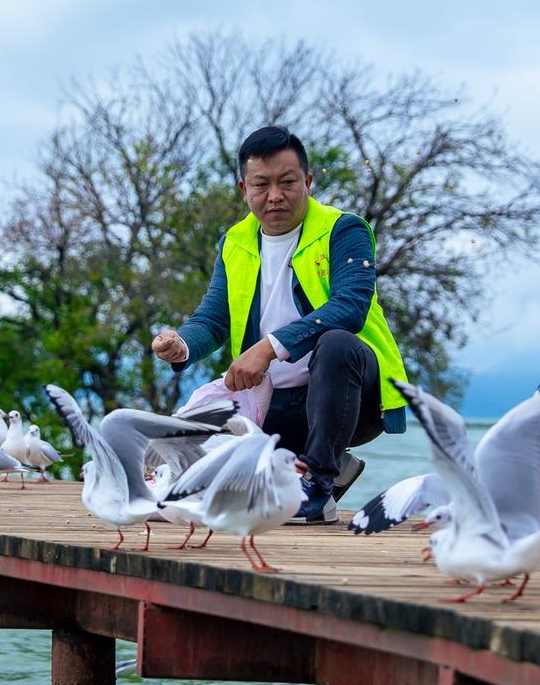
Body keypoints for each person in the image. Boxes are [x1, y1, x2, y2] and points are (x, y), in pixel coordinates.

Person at [152, 125, 409, 523]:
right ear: (244, 189)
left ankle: (319, 487)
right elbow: (213, 318)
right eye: (261, 184)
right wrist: (182, 344)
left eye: (288, 182)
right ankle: (324, 466)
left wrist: (268, 347)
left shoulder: (344, 229)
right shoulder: (234, 242)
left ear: (307, 181)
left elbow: (351, 306)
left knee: (338, 342)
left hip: (354, 400)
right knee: (204, 478)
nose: (275, 195)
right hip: (274, 405)